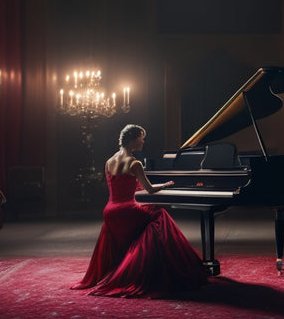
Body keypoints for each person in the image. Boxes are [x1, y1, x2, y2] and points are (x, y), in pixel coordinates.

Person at [72, 124, 207, 297]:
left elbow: (124, 188)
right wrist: (165, 185)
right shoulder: (135, 163)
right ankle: (161, 270)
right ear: (134, 139)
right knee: (159, 215)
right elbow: (149, 189)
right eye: (142, 137)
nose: (144, 141)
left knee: (151, 215)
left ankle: (129, 266)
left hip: (110, 211)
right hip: (127, 210)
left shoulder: (109, 161)